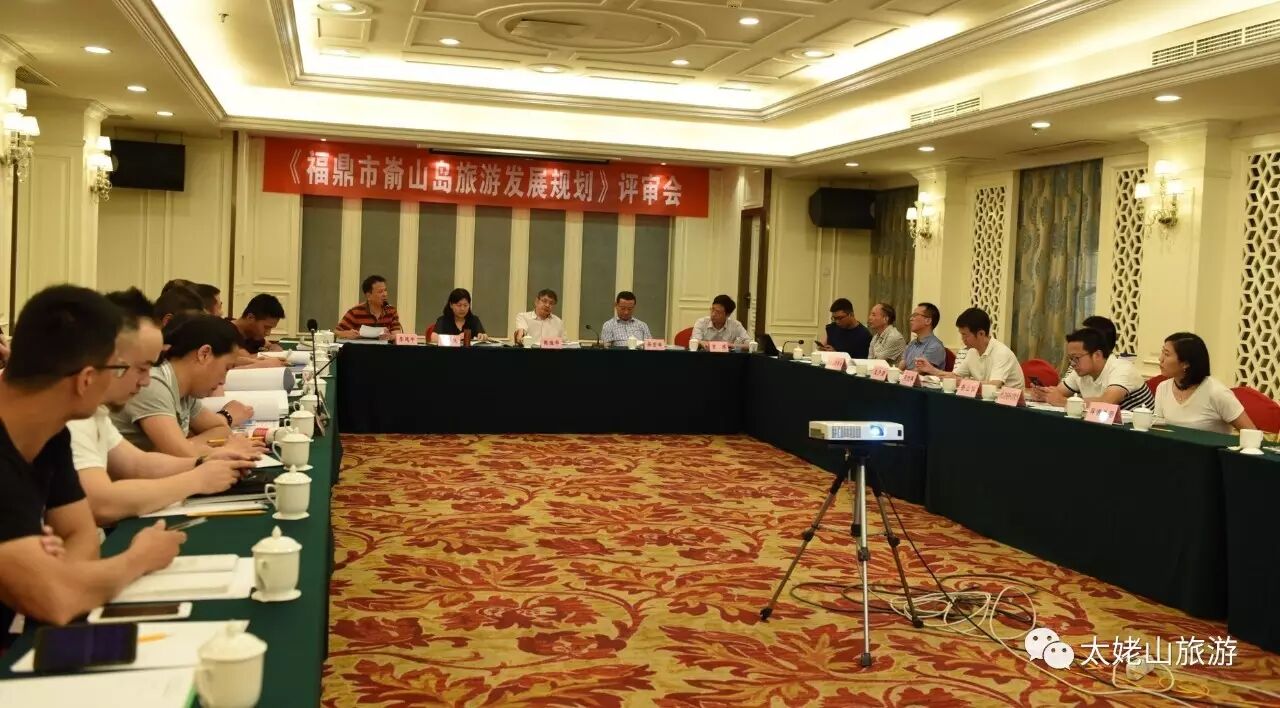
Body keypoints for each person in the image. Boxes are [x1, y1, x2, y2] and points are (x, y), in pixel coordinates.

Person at [0, 285, 186, 634]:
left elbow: (80, 535)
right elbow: (57, 599)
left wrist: (55, 575)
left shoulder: (52, 433)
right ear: (86, 379)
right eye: (117, 368)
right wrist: (139, 558)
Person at [70, 291, 254, 526]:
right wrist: (197, 479)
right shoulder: (70, 416)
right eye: (142, 368)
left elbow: (137, 463)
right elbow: (102, 505)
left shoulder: (93, 412)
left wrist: (203, 463)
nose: (146, 380)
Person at [112, 314, 260, 456]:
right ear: (204, 354)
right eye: (226, 368)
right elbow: (178, 455)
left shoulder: (185, 391)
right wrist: (225, 450)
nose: (223, 381)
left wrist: (188, 446)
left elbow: (221, 429)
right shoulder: (153, 384)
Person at [1153, 332, 1255, 434]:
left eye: (1167, 354)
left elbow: (1252, 433)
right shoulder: (1163, 388)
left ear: (1185, 364)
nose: (1160, 359)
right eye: (1162, 352)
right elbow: (1157, 431)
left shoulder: (1217, 392)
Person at [1028, 328, 1154, 410]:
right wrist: (1044, 394)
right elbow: (1059, 392)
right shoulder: (1080, 371)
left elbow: (1107, 403)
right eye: (1070, 359)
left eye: (1076, 358)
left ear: (1097, 355)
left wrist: (1064, 402)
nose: (1072, 364)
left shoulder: (1122, 368)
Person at [917, 307, 1023, 388]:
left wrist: (963, 382)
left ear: (981, 333)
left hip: (1011, 405)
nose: (962, 339)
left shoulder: (1001, 352)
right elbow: (955, 376)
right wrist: (931, 370)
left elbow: (994, 385)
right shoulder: (972, 351)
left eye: (965, 335)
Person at [337, 275, 401, 340]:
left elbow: (397, 335)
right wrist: (346, 334)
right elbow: (336, 332)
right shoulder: (355, 312)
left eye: (385, 290)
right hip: (361, 346)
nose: (385, 294)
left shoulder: (391, 311)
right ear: (368, 296)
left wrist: (390, 337)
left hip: (384, 346)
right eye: (380, 292)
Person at [231, 294, 287, 367]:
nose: (268, 333)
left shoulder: (252, 334)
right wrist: (272, 356)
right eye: (266, 327)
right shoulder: (226, 331)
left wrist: (274, 348)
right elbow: (247, 359)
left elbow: (271, 345)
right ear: (250, 317)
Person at [900, 302, 946, 371]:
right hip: (906, 377)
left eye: (915, 315)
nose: (911, 319)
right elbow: (902, 365)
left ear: (928, 321)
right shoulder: (912, 343)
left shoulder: (935, 346)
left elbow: (919, 371)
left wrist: (901, 374)